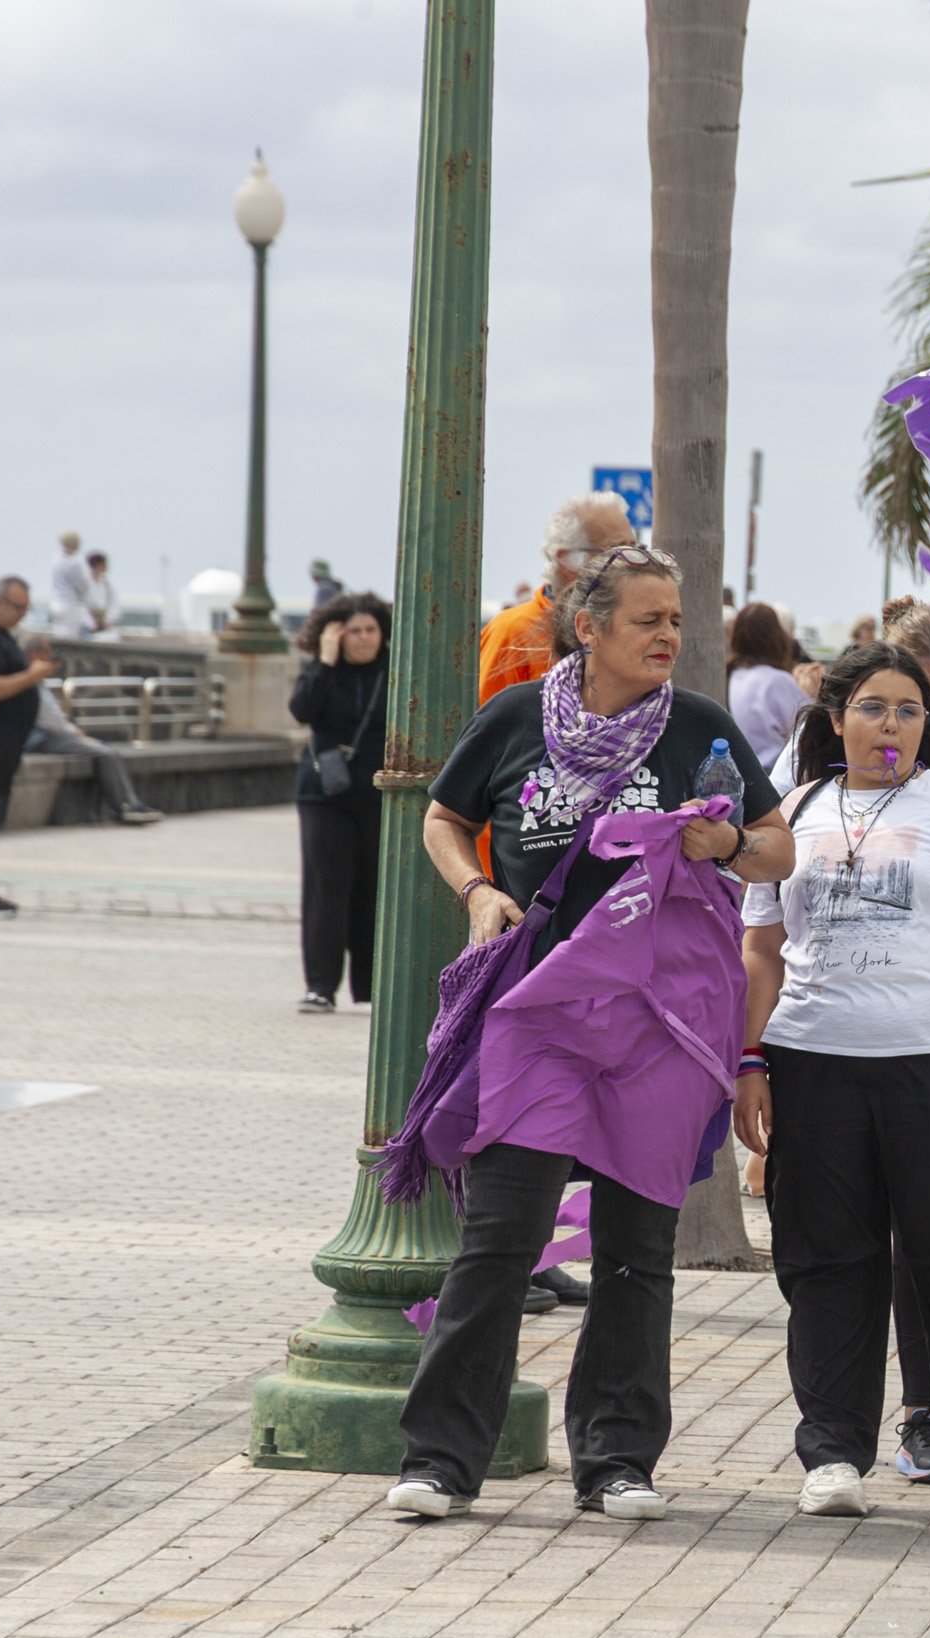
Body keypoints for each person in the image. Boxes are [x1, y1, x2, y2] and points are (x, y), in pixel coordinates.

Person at [389, 544, 791, 1522]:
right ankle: (443, 1458)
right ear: (591, 628)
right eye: (647, 619)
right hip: (537, 1011)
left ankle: (615, 1459)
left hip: (659, 1022)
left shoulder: (697, 728)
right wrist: (479, 889)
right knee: (501, 1232)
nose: (668, 636)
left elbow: (780, 843)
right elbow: (442, 815)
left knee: (633, 1242)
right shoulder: (516, 718)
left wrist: (727, 842)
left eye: (676, 620)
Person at [734, 642, 930, 1522]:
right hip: (813, 1067)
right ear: (837, 719)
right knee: (827, 1262)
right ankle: (833, 1449)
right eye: (873, 706)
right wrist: (749, 1061)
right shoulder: (791, 811)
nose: (892, 725)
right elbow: (761, 950)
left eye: (910, 709)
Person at [290, 593, 393, 1014]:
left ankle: (368, 986)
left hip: (375, 791)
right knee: (325, 889)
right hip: (324, 793)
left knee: (372, 888)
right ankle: (320, 986)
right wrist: (326, 660)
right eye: (354, 631)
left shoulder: (394, 671)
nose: (364, 638)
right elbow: (302, 710)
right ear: (336, 633)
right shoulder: (322, 671)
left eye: (371, 630)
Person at [477, 493, 636, 705]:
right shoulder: (513, 632)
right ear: (566, 560)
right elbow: (484, 728)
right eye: (615, 551)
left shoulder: (628, 627)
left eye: (634, 549)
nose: (631, 563)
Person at [0, 578, 60, 918]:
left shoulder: (6, 639)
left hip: (5, 749)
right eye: (17, 607)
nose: (21, 614)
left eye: (26, 608)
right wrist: (33, 676)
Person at [25, 657, 163, 825]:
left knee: (106, 750)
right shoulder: (31, 684)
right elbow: (51, 721)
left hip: (52, 734)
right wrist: (72, 731)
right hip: (44, 738)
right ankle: (125, 806)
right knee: (105, 753)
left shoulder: (38, 684)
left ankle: (130, 803)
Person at [725, 602, 804, 773]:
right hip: (773, 777)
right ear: (776, 635)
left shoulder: (732, 675)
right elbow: (810, 729)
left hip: (738, 773)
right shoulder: (778, 681)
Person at [46, 533, 93, 636]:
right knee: (71, 635)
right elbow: (83, 586)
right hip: (69, 605)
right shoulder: (73, 564)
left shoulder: (56, 560)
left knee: (59, 633)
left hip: (56, 603)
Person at [80, 553, 114, 634]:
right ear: (97, 565)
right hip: (86, 624)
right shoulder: (85, 582)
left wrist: (108, 619)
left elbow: (112, 602)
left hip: (102, 622)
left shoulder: (106, 582)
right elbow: (80, 605)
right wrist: (90, 623)